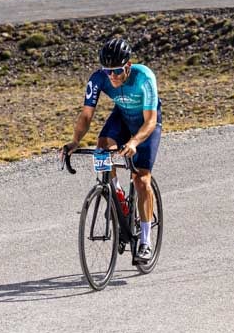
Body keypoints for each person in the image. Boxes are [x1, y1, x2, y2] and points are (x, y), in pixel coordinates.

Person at [62, 37, 161, 262]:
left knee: (141, 179)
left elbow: (150, 121)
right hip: (122, 116)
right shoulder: (98, 79)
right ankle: (115, 193)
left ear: (127, 66)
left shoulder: (144, 78)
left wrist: (134, 142)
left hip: (146, 122)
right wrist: (75, 142)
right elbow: (87, 115)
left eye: (117, 70)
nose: (113, 76)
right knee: (102, 148)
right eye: (108, 71)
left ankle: (145, 241)